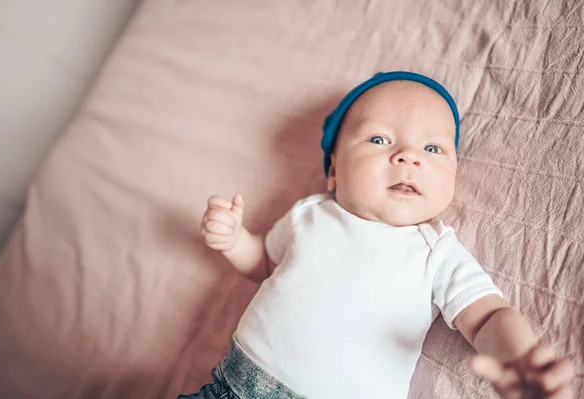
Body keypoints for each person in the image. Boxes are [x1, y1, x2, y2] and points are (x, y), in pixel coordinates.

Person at [185, 72, 575, 398]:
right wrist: (234, 240)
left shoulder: (435, 250)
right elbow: (266, 264)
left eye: (433, 147)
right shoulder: (309, 214)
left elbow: (489, 315)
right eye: (379, 140)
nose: (409, 156)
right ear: (333, 170)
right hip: (231, 387)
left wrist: (519, 357)